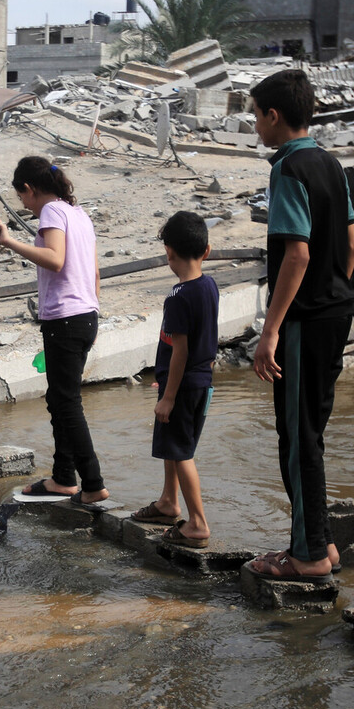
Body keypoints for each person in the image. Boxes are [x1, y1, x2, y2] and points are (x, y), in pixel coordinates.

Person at [246, 69, 354, 582]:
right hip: (337, 313)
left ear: (274, 115)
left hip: (305, 322)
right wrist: (332, 292)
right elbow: (352, 246)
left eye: (255, 116)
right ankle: (322, 545)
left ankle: (307, 557)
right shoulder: (331, 164)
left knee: (295, 438)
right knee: (311, 432)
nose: (255, 126)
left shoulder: (288, 169)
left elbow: (296, 255)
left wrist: (271, 330)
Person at [0, 156, 108, 504]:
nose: (23, 204)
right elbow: (94, 272)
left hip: (66, 319)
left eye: (21, 197)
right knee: (60, 398)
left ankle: (93, 483)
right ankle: (63, 478)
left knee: (66, 402)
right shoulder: (79, 214)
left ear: (30, 188)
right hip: (85, 314)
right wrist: (93, 311)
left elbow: (55, 260)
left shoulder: (52, 213)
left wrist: (9, 241)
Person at [131, 211, 218, 548]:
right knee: (174, 445)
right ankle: (168, 501)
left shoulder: (178, 298)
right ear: (206, 251)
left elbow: (180, 350)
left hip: (182, 386)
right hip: (200, 382)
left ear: (169, 253)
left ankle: (197, 523)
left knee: (182, 453)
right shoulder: (209, 286)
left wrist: (169, 394)